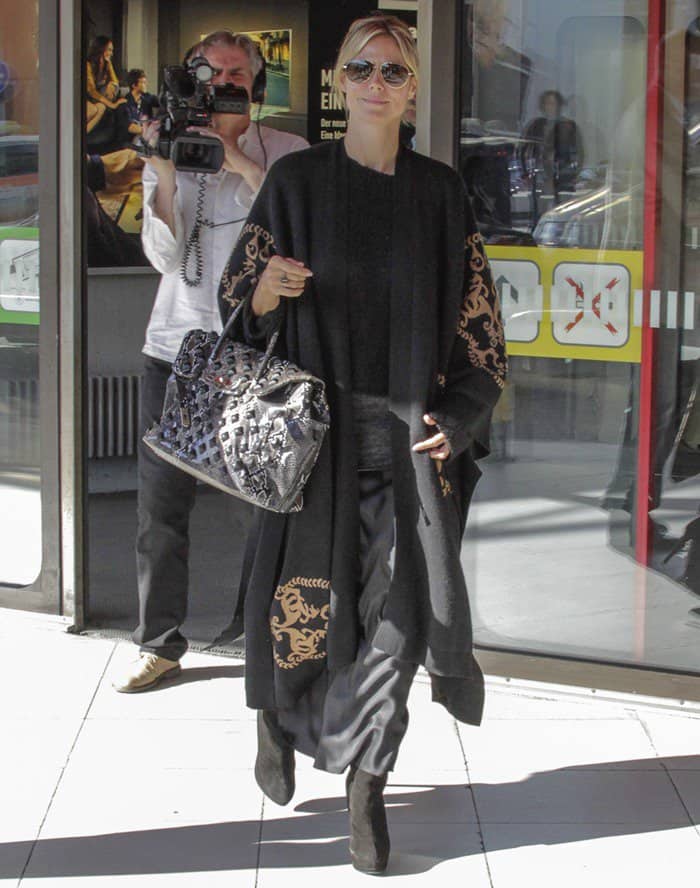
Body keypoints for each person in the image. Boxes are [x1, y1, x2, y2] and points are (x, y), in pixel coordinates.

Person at [217, 13, 506, 874]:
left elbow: (480, 329)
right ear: (338, 83)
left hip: (403, 452)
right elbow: (236, 301)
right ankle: (276, 719)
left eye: (393, 69)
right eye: (361, 68)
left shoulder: (440, 194)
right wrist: (264, 291)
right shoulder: (297, 183)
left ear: (414, 87)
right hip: (308, 452)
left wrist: (459, 414)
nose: (376, 82)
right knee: (300, 615)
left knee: (395, 629)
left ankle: (366, 791)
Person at [111, 31, 308, 694]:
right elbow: (166, 259)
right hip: (173, 350)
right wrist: (167, 171)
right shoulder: (169, 149)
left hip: (252, 356)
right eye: (210, 73)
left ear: (256, 85)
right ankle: (159, 643)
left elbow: (300, 227)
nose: (223, 84)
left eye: (235, 74)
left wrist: (236, 159)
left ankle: (256, 632)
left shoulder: (287, 153)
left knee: (262, 505)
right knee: (160, 508)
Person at [86, 36, 129, 150]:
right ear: (100, 49)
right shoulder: (88, 65)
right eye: (109, 50)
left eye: (112, 50)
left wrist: (112, 85)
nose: (111, 53)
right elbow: (91, 91)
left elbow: (115, 81)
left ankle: (84, 135)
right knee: (96, 109)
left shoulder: (106, 64)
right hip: (87, 97)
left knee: (102, 107)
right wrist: (112, 105)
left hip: (99, 99)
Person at [124, 69, 159, 137]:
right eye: (143, 82)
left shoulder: (147, 97)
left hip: (146, 138)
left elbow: (160, 102)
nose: (146, 85)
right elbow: (130, 127)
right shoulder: (125, 103)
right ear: (134, 85)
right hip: (130, 139)